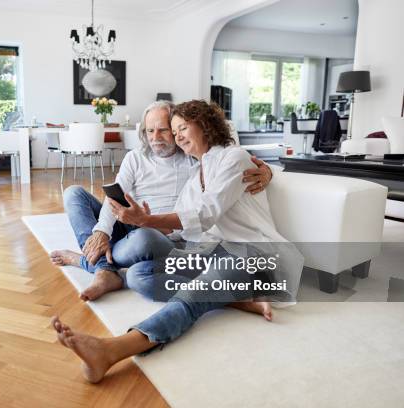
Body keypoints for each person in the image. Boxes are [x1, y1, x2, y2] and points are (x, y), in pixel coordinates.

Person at [51, 100, 303, 383]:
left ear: (205, 125)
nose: (176, 135)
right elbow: (193, 231)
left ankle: (112, 349)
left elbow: (203, 215)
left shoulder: (233, 158)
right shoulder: (197, 173)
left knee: (194, 292)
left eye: (181, 128)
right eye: (174, 129)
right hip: (213, 249)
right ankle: (236, 300)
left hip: (252, 254)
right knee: (138, 275)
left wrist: (147, 222)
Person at [50, 101, 273, 301]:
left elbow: (230, 160)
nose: (156, 137)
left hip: (161, 232)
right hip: (129, 221)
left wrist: (267, 171)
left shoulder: (193, 155)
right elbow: (114, 198)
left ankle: (89, 263)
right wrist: (101, 232)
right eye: (150, 130)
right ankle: (103, 269)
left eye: (165, 130)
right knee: (73, 193)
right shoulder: (135, 157)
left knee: (144, 240)